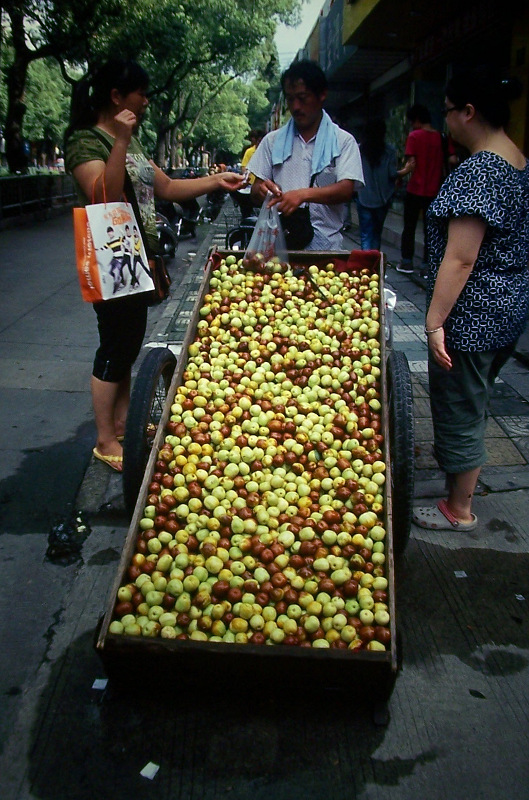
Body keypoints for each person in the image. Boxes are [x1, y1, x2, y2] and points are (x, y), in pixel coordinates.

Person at [64, 59, 243, 472]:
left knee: (128, 342)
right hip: (110, 259)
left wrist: (218, 181)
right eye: (140, 93)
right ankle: (105, 439)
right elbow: (102, 196)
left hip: (136, 257)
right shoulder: (85, 141)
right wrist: (122, 140)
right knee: (114, 347)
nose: (145, 102)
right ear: (116, 97)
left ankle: (124, 423)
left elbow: (166, 187)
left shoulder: (133, 142)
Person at [412, 66, 529, 532]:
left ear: (468, 112)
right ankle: (458, 489)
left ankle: (458, 509)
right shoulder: (518, 159)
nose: (445, 124)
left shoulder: (481, 169)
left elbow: (461, 258)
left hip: (473, 314)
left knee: (461, 405)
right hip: (507, 308)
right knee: (475, 400)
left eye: (447, 113)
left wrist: (434, 321)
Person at [248, 60, 363, 251]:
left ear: (321, 95)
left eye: (303, 98)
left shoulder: (343, 141)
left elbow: (345, 190)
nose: (296, 106)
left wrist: (303, 195)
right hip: (279, 247)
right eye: (290, 99)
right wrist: (261, 191)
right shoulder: (271, 141)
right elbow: (255, 189)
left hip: (326, 249)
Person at [396, 104, 445, 275]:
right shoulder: (440, 137)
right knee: (430, 229)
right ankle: (427, 264)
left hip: (415, 188)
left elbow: (411, 163)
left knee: (409, 227)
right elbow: (452, 159)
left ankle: (407, 262)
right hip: (434, 190)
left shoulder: (414, 136)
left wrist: (399, 175)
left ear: (416, 119)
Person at [356, 118, 397, 251]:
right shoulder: (389, 151)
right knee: (376, 234)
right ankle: (374, 265)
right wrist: (406, 171)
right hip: (382, 198)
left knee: (365, 234)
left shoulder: (359, 150)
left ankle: (364, 267)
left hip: (363, 197)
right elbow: (392, 174)